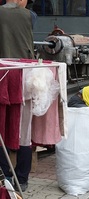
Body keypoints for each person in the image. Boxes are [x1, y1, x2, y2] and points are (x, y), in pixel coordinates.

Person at [0, 0, 37, 192]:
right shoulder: (30, 15)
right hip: (25, 75)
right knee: (24, 131)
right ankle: (21, 178)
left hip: (2, 75)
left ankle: (5, 176)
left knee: (2, 129)